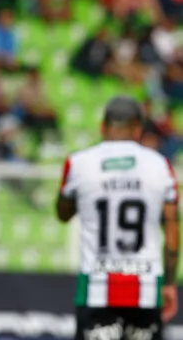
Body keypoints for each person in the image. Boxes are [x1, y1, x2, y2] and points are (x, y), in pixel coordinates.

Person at [57, 96, 179, 340]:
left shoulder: (79, 163)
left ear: (103, 126)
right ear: (138, 129)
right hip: (145, 287)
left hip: (95, 287)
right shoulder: (160, 165)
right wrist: (169, 283)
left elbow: (63, 214)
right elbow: (172, 236)